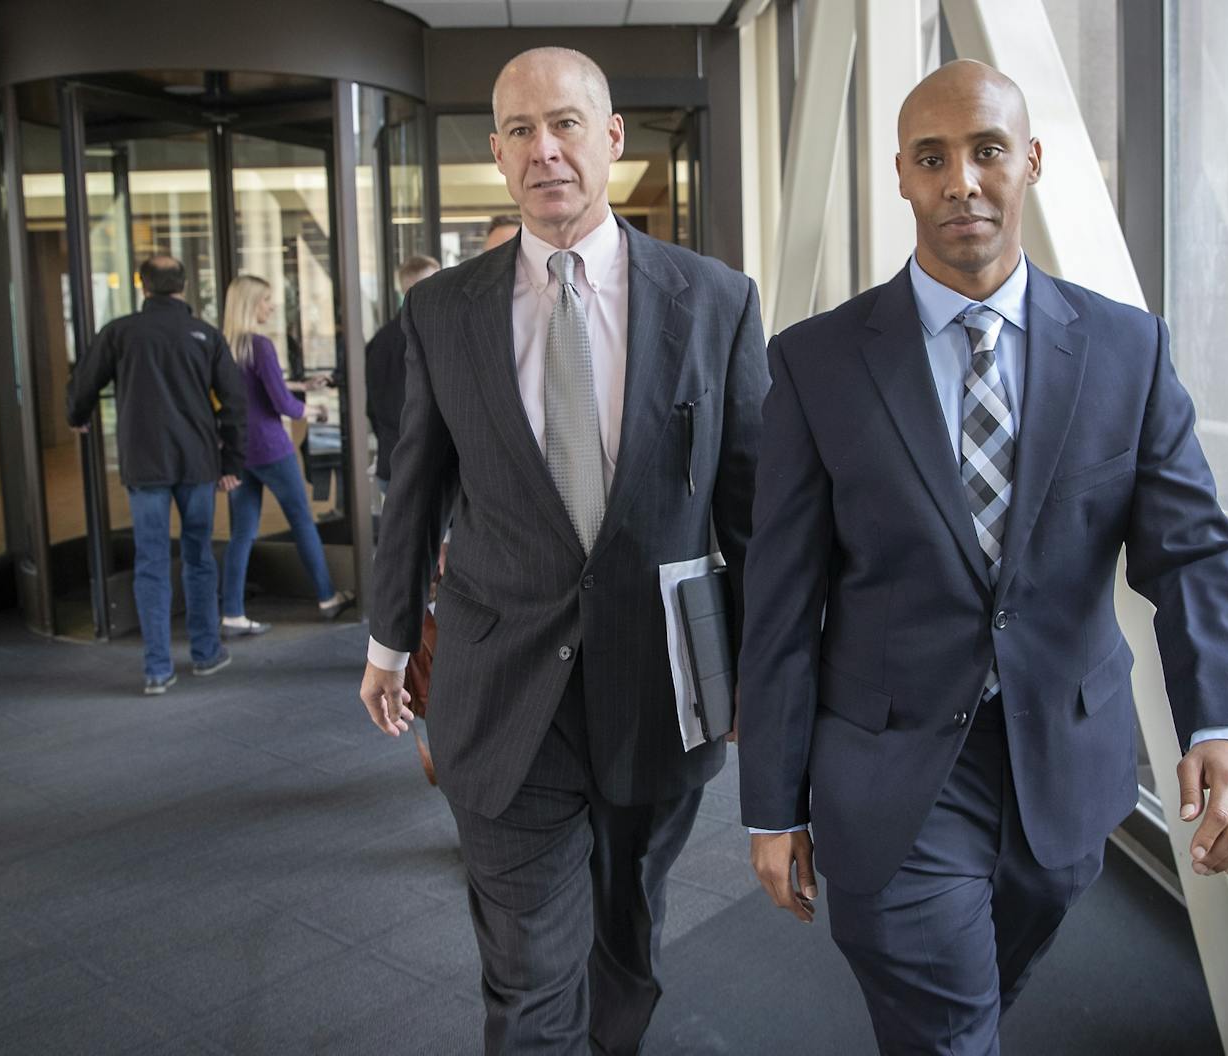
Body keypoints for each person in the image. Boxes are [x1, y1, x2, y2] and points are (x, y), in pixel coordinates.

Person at [737, 60, 1228, 1054]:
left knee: (966, 999)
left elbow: (1194, 552)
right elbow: (780, 597)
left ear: (1028, 161)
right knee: (947, 1023)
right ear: (900, 175)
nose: (960, 183)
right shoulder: (816, 363)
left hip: (1062, 775)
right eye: (931, 159)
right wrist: (770, 805)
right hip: (887, 767)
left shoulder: (1126, 352)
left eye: (985, 151)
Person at [358, 47, 768, 1055]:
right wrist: (383, 640)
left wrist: (765, 668)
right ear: (498, 154)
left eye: (566, 124)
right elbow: (413, 488)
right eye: (519, 132)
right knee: (529, 975)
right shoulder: (443, 310)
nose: (545, 149)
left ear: (611, 138)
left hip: (661, 690)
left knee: (626, 941)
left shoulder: (714, 301)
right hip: (500, 691)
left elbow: (750, 506)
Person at [66, 255, 245, 694]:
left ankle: (157, 669)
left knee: (150, 562)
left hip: (144, 464)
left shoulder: (121, 332)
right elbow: (235, 403)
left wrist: (78, 415)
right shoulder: (205, 335)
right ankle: (205, 655)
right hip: (198, 464)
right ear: (183, 287)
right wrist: (231, 464)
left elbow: (83, 383)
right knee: (199, 557)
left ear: (142, 286)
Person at [219, 275, 354, 635]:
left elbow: (256, 387)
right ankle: (327, 597)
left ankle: (232, 611)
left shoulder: (227, 346)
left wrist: (297, 385)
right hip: (271, 449)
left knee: (242, 532)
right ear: (251, 305)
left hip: (240, 453)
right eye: (266, 300)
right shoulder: (260, 345)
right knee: (302, 522)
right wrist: (314, 411)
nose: (272, 306)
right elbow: (281, 404)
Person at [366, 255, 441, 499]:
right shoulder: (431, 337)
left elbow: (372, 408)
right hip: (426, 469)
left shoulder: (379, 341)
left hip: (390, 464)